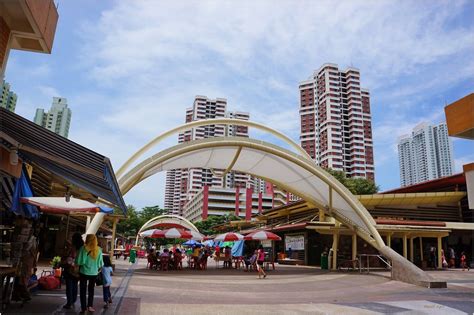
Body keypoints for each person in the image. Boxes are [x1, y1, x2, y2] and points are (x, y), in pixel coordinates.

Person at [76, 234, 104, 313]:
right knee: (91, 290)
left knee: (83, 290)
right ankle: (90, 306)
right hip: (94, 273)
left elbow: (79, 261)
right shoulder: (98, 249)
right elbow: (100, 264)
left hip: (83, 272)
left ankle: (83, 308)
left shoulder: (83, 248)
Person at [62, 232, 84, 309]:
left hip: (70, 268)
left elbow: (70, 257)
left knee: (69, 286)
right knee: (75, 285)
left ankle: (69, 302)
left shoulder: (73, 247)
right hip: (78, 269)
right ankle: (73, 300)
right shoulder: (82, 247)